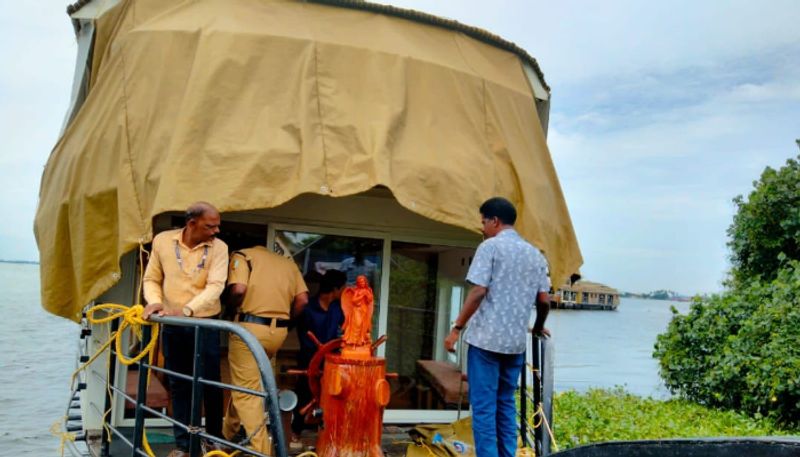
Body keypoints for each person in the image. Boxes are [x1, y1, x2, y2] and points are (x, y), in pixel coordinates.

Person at [444, 197, 551, 457]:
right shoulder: (535, 254)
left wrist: (457, 328)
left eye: (483, 222)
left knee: (483, 408)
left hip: (485, 342)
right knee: (505, 404)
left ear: (495, 221)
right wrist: (537, 327)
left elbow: (479, 291)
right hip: (514, 344)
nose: (482, 228)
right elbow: (544, 300)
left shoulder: (490, 247)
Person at [142, 202, 228, 457]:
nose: (216, 231)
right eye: (210, 226)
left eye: (217, 225)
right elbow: (151, 279)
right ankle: (183, 445)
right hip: (173, 325)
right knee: (179, 385)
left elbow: (216, 286)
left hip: (204, 323)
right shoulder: (162, 241)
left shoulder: (219, 248)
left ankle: (213, 438)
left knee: (210, 384)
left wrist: (187, 310)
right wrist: (154, 301)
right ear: (192, 224)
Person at [222, 245, 309, 455]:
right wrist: (285, 325)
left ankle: (261, 451)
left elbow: (239, 289)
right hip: (277, 334)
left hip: (248, 329)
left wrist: (229, 309)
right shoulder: (288, 264)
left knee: (247, 392)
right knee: (248, 383)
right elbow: (303, 300)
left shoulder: (242, 256)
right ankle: (226, 435)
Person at [291, 269, 347, 444]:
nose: (345, 291)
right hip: (309, 358)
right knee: (304, 393)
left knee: (332, 396)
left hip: (331, 360)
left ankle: (328, 433)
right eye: (343, 288)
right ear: (336, 289)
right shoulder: (307, 308)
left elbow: (345, 329)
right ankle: (295, 431)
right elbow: (294, 328)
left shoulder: (339, 309)